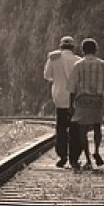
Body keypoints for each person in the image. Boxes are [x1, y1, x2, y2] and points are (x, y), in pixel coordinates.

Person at [67, 38, 104, 169]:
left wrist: (71, 105)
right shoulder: (103, 64)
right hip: (97, 100)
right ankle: (96, 151)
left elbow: (72, 87)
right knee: (97, 127)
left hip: (82, 100)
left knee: (82, 131)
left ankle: (88, 159)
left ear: (83, 50)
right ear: (95, 50)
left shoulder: (78, 65)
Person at [44, 36, 81, 167]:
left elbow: (47, 76)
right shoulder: (78, 60)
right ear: (73, 47)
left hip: (59, 97)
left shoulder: (53, 59)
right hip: (75, 99)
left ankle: (62, 155)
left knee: (61, 128)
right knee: (75, 129)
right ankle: (74, 158)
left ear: (61, 46)